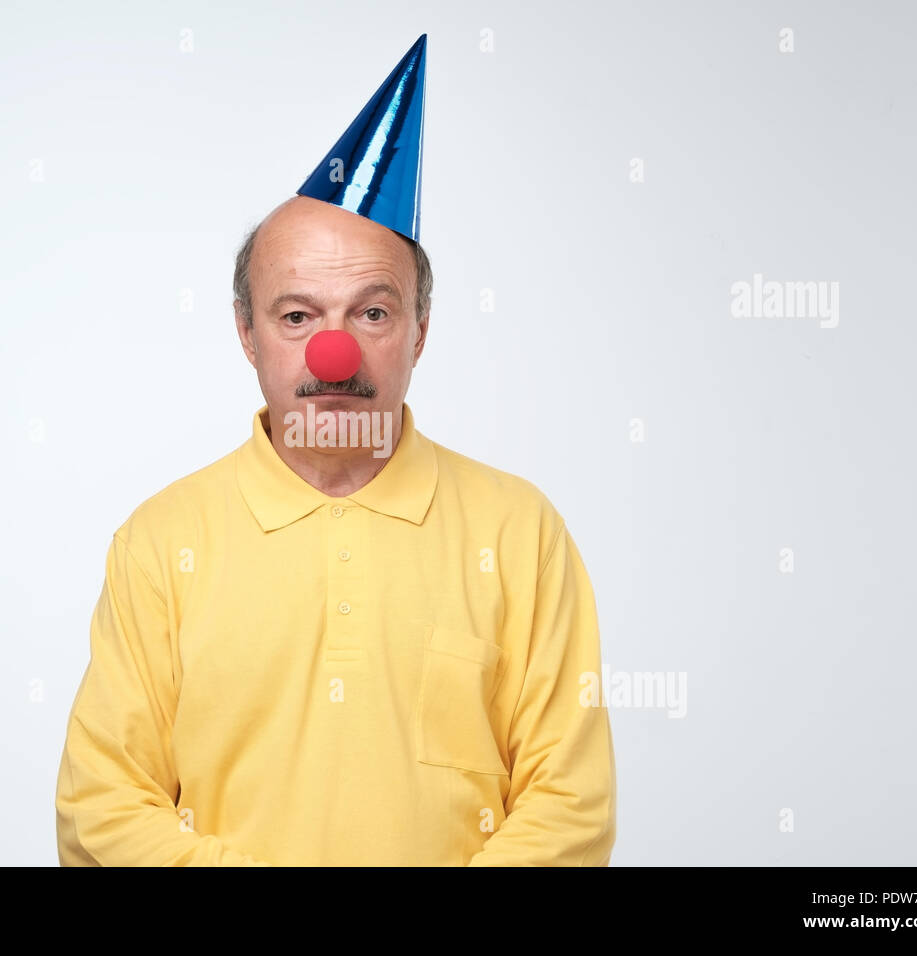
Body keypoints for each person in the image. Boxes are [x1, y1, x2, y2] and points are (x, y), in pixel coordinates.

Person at [54, 34, 615, 866]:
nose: (334, 355)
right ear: (247, 333)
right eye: (296, 316)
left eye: (373, 313)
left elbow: (569, 807)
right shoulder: (160, 542)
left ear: (421, 330)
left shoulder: (520, 532)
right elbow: (100, 809)